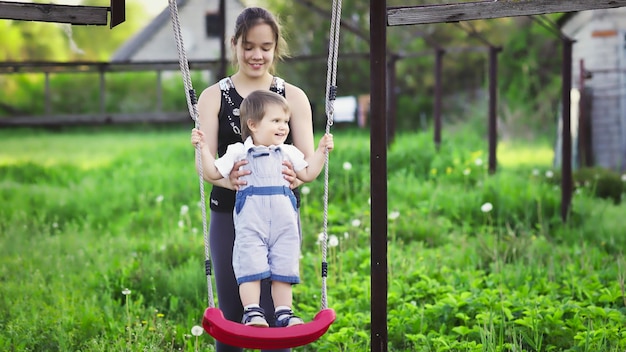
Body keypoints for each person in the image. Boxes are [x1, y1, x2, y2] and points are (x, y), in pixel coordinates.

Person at [189, 7, 318, 352]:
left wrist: (298, 175)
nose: (256, 55)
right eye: (248, 46)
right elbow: (206, 162)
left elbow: (305, 160)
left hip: (279, 213)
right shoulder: (214, 96)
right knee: (234, 312)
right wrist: (227, 180)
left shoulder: (294, 97)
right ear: (234, 44)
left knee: (278, 311)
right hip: (229, 214)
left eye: (265, 46)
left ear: (276, 47)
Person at [192, 90, 333, 328]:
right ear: (253, 125)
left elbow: (308, 173)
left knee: (283, 268)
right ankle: (252, 312)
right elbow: (214, 172)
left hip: (284, 226)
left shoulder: (288, 151)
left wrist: (321, 152)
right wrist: (203, 149)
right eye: (276, 121)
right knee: (250, 264)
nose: (284, 127)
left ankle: (284, 312)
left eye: (285, 121)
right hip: (252, 225)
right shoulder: (238, 151)